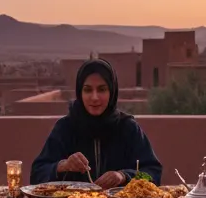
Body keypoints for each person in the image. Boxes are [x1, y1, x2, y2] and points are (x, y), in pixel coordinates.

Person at [30, 59, 162, 187]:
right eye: (87, 90)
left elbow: (153, 174)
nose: (94, 97)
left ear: (112, 92)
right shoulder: (65, 128)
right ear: (79, 92)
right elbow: (37, 175)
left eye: (102, 89)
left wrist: (123, 176)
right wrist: (63, 165)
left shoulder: (128, 128)